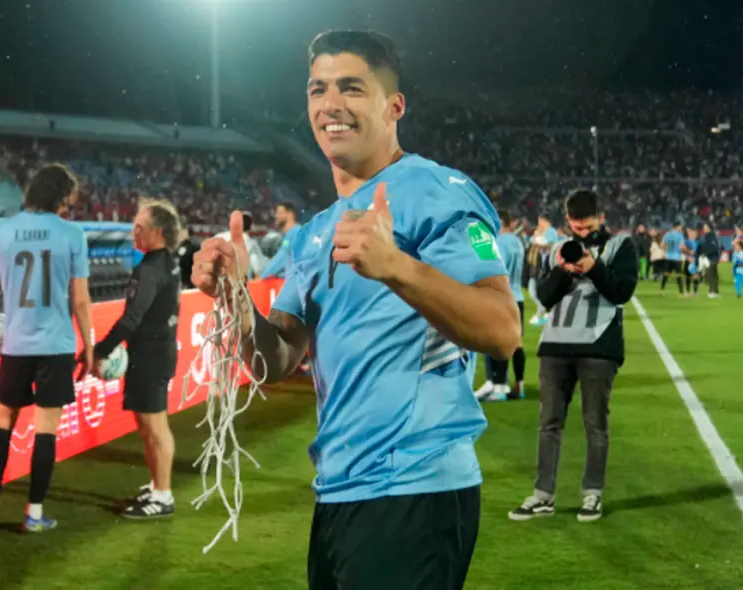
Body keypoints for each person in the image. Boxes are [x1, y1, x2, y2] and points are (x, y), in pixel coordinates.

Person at [191, 29, 520, 589]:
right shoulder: (315, 232)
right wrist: (235, 299)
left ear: (394, 106)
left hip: (415, 486)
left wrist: (398, 267)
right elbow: (276, 358)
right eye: (318, 90)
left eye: (351, 88)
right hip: (340, 490)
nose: (330, 105)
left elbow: (502, 329)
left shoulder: (439, 190)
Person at [0, 163, 94, 533]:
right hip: (55, 344)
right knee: (45, 431)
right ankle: (33, 515)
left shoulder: (0, 231)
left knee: (2, 424)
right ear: (60, 197)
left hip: (14, 343)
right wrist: (89, 346)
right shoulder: (73, 235)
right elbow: (81, 300)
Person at [509, 189, 638, 523]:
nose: (582, 233)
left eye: (588, 226)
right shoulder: (556, 251)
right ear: (568, 222)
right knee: (548, 423)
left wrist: (594, 267)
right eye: (576, 227)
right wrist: (565, 270)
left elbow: (621, 292)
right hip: (555, 345)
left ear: (601, 217)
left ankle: (592, 494)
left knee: (595, 423)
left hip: (599, 345)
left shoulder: (620, 246)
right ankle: (543, 495)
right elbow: (545, 297)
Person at [88, 200, 182, 519]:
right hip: (157, 352)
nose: (133, 232)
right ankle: (157, 485)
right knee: (149, 426)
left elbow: (132, 319)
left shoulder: (151, 269)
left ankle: (163, 496)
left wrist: (99, 350)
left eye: (139, 227)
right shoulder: (165, 263)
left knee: (154, 426)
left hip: (151, 356)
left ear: (156, 232)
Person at [475, 209, 527, 402]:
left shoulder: (498, 243)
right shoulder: (517, 242)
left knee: (494, 340)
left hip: (500, 296)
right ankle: (511, 384)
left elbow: (494, 269)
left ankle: (499, 385)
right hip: (517, 297)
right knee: (514, 342)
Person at [261, 202, 302, 279]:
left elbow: (282, 257)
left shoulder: (295, 233)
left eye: (280, 213)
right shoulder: (291, 234)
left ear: (290, 214)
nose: (276, 216)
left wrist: (263, 276)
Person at [660, 222, 684, 295]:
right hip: (677, 258)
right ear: (677, 227)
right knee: (678, 274)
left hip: (668, 257)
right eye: (680, 227)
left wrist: (666, 252)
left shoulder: (667, 234)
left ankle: (661, 290)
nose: (681, 228)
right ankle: (681, 292)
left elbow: (662, 245)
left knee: (666, 273)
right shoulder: (680, 235)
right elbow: (681, 246)